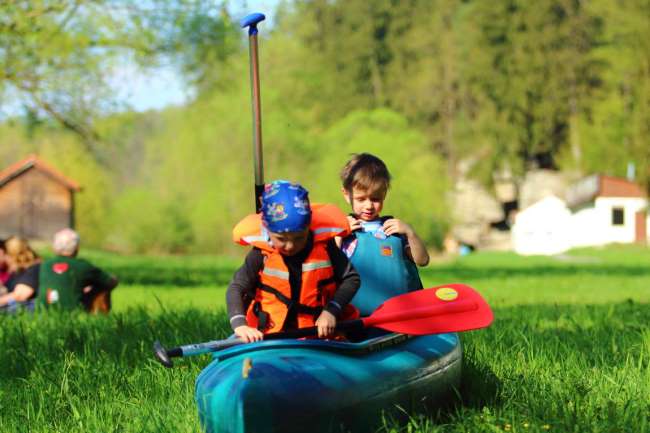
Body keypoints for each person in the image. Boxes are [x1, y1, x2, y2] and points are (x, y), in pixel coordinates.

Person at [227, 180, 360, 343]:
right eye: (281, 239)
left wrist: (331, 311)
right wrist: (240, 325)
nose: (290, 246)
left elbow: (351, 278)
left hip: (318, 335)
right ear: (266, 228)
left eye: (299, 238)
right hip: (270, 335)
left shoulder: (325, 246)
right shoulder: (260, 253)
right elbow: (237, 287)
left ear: (309, 225)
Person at [338, 153, 429, 317]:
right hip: (354, 319)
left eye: (375, 198)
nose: (369, 206)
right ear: (346, 194)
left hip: (400, 316)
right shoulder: (343, 230)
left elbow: (422, 260)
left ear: (384, 193)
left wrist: (410, 233)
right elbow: (328, 265)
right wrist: (338, 235)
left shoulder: (394, 229)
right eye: (361, 199)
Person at [35, 228, 118, 312]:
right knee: (102, 286)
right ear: (77, 248)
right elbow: (111, 281)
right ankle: (98, 314)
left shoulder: (45, 265)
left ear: (54, 247)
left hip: (43, 312)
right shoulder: (82, 265)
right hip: (74, 311)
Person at [0, 236, 41, 312]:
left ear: (12, 255)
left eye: (5, 254)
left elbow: (20, 295)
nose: (4, 258)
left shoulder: (34, 268)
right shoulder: (18, 271)